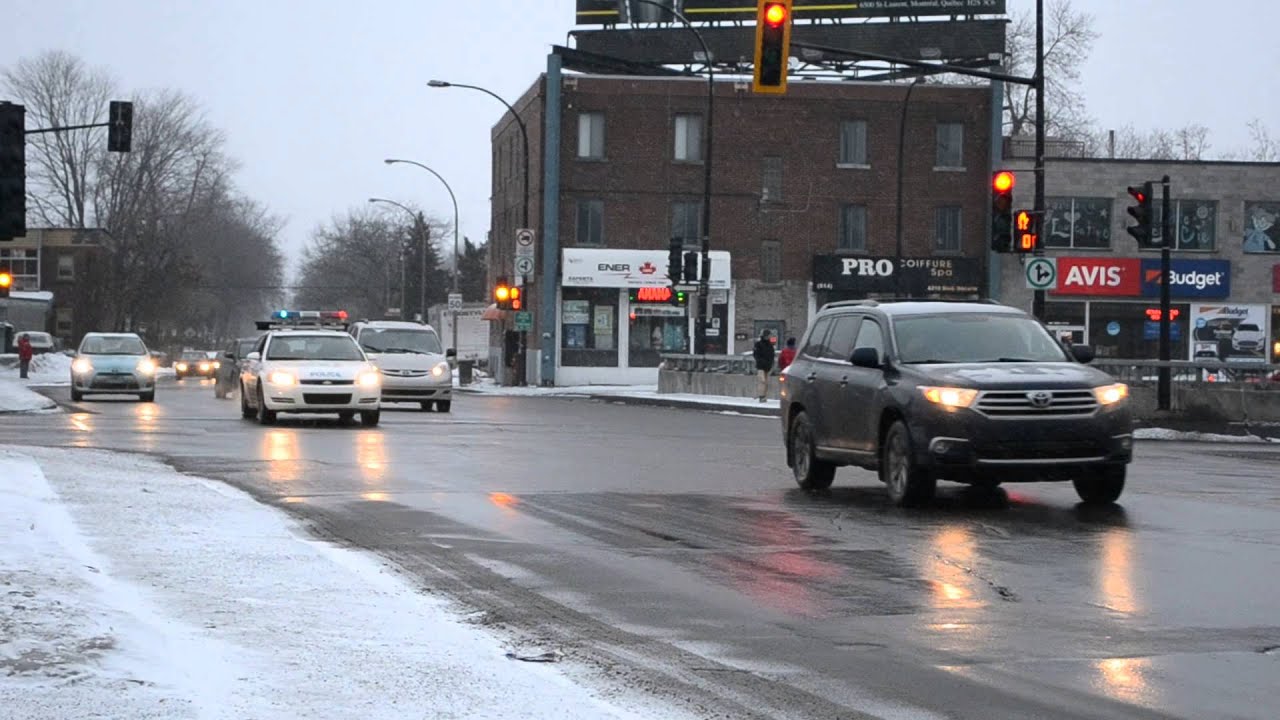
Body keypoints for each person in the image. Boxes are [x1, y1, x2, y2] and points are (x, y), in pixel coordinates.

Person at [752, 330, 775, 402]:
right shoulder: (758, 344)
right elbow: (756, 354)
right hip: (760, 366)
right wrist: (761, 361)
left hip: (768, 366)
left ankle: (764, 396)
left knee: (766, 382)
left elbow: (772, 355)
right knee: (762, 381)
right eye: (769, 335)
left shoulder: (770, 345)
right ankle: (761, 396)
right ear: (766, 335)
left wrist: (771, 363)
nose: (770, 337)